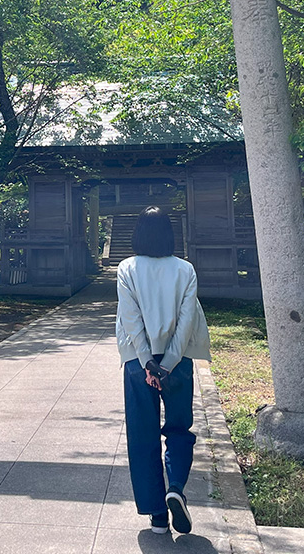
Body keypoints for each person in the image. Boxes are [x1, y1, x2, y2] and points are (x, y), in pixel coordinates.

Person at [115, 205, 211, 535]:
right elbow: (187, 323)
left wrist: (148, 363)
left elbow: (130, 319)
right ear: (170, 235)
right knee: (179, 428)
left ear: (137, 234)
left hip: (138, 364)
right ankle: (176, 488)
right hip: (178, 361)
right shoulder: (185, 270)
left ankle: (157, 514)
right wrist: (168, 364)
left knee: (142, 436)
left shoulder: (127, 268)